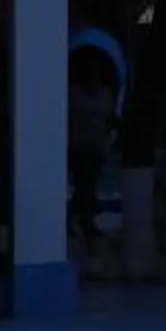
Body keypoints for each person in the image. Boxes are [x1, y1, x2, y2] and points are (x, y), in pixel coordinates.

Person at [66, 50, 118, 249]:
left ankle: (77, 218)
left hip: (96, 149)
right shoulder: (73, 94)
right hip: (75, 147)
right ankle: (85, 221)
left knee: (87, 185)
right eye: (90, 74)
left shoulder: (106, 96)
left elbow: (111, 119)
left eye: (97, 74)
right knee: (86, 183)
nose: (94, 79)